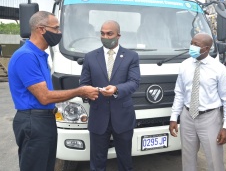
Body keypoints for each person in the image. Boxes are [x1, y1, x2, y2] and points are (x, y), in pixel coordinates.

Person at [8, 11, 99, 171]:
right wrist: (80, 91)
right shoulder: (26, 56)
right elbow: (44, 97)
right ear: (41, 29)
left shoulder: (39, 55)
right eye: (56, 29)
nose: (59, 33)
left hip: (44, 120)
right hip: (33, 121)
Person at [79, 20, 141, 171]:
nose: (105, 36)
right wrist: (88, 92)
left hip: (123, 117)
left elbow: (134, 82)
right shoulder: (90, 57)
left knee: (125, 160)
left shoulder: (131, 56)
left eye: (109, 33)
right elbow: (83, 84)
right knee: (97, 161)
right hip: (98, 116)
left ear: (118, 35)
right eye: (102, 33)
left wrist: (116, 89)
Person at [169, 33, 226, 171]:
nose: (191, 47)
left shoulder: (219, 69)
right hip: (187, 116)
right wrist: (174, 117)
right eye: (191, 43)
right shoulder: (184, 65)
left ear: (206, 49)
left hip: (209, 117)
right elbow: (179, 93)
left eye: (196, 45)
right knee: (187, 159)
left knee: (214, 160)